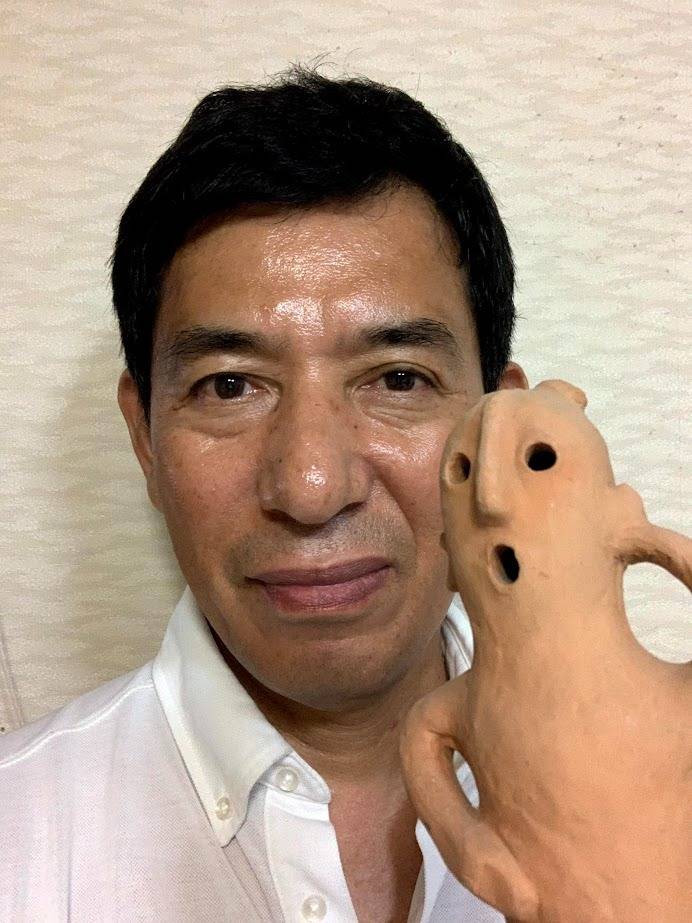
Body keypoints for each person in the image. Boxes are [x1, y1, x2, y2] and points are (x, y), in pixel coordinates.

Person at [0, 67, 528, 922]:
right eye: (229, 386)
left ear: (504, 432)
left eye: (398, 377)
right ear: (145, 437)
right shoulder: (18, 834)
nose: (312, 488)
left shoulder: (657, 794)